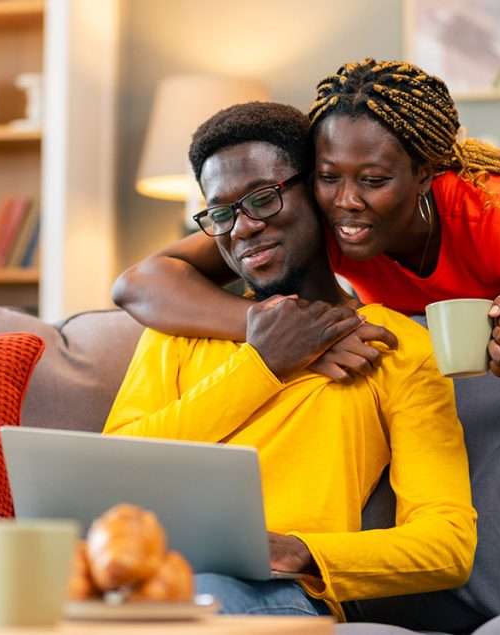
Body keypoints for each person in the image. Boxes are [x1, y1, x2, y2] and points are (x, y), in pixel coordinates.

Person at [103, 101, 476, 621]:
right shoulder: (177, 329)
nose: (242, 228)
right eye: (221, 213)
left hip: (274, 593)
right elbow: (113, 471)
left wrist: (303, 551)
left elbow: (449, 544)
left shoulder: (394, 345)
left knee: (199, 603)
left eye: (263, 198)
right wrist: (263, 363)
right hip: (139, 574)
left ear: (319, 195)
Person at [113, 59, 500, 380]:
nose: (347, 202)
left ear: (424, 173)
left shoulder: (496, 215)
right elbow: (139, 283)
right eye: (329, 176)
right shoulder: (311, 210)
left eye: (374, 180)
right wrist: (270, 328)